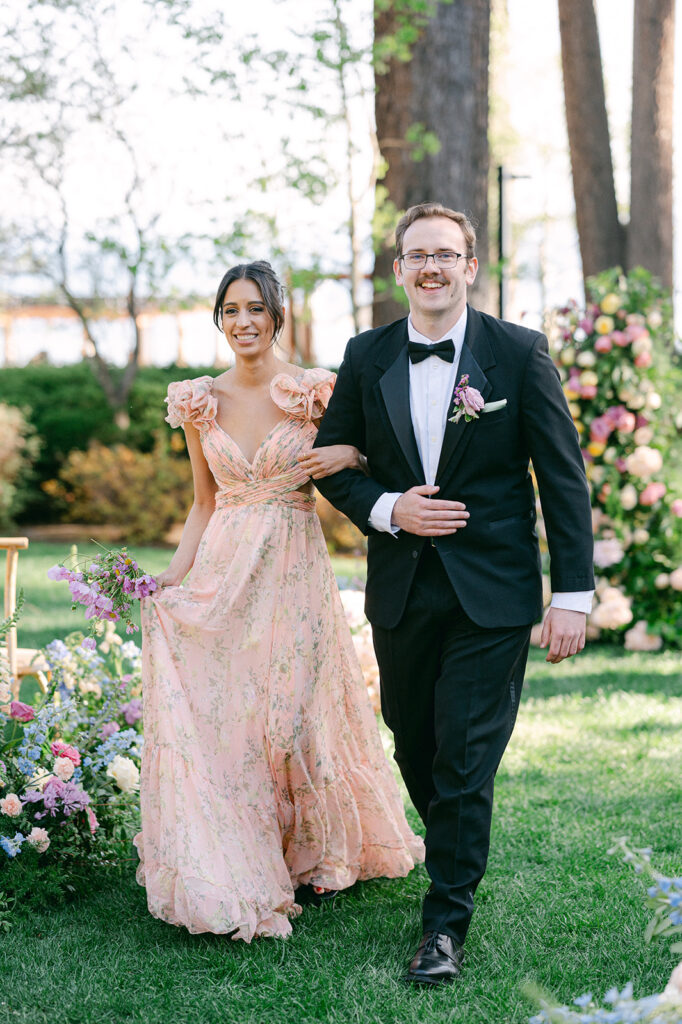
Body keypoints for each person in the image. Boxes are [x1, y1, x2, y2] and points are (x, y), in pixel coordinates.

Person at [313, 203, 594, 985]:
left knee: (466, 759)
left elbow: (562, 479)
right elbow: (332, 462)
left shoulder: (518, 352)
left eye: (446, 254)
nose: (431, 267)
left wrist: (572, 594)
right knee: (416, 740)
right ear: (399, 269)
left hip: (494, 594)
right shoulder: (366, 355)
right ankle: (453, 849)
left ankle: (444, 925)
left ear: (471, 265)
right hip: (402, 591)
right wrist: (387, 508)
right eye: (416, 255)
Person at [134, 260, 424, 941]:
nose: (243, 322)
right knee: (235, 714)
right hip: (225, 567)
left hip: (293, 565)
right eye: (230, 310)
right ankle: (249, 851)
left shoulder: (317, 391)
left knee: (293, 711)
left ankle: (316, 852)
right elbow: (204, 503)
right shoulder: (197, 399)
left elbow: (364, 461)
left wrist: (350, 459)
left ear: (277, 315)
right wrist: (171, 581)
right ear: (219, 318)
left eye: (254, 309)